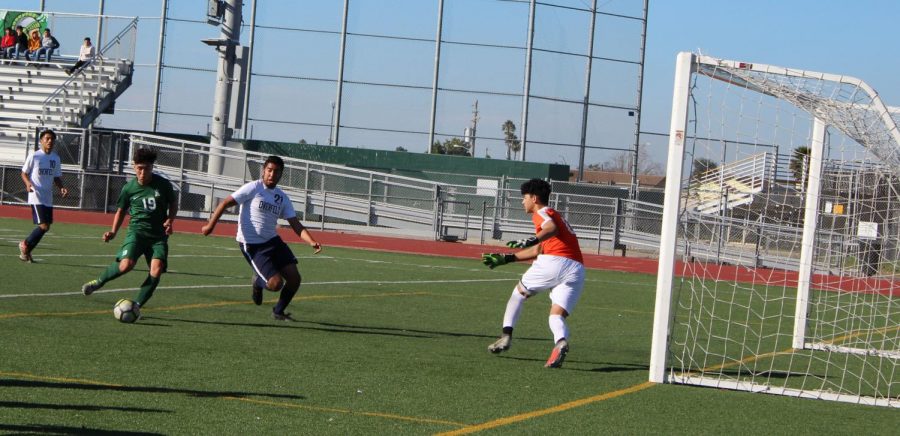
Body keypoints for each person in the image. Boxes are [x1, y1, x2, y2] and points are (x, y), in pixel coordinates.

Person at [201, 155, 322, 321]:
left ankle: (278, 312)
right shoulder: (252, 188)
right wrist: (210, 225)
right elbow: (224, 203)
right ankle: (258, 282)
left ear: (281, 175)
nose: (272, 174)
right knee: (275, 284)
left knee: (294, 278)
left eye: (276, 172)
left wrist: (311, 241)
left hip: (272, 241)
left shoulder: (282, 197)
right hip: (252, 245)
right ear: (263, 171)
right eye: (269, 170)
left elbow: (296, 224)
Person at [481, 178, 585, 369]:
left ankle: (506, 337)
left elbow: (549, 229)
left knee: (517, 294)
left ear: (534, 198)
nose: (522, 201)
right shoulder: (558, 216)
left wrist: (530, 239)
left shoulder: (542, 212)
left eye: (524, 197)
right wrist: (507, 258)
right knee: (556, 315)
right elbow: (539, 250)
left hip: (554, 262)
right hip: (576, 269)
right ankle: (560, 342)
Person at [81, 148, 177, 316]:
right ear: (133, 167)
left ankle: (137, 305)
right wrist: (113, 231)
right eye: (139, 168)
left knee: (157, 269)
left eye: (146, 168)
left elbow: (174, 204)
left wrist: (170, 220)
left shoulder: (163, 185)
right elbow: (120, 211)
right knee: (126, 265)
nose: (142, 172)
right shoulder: (129, 188)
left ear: (152, 167)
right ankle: (99, 281)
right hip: (137, 233)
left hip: (158, 237)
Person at [19, 129, 68, 262]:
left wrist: (62, 187)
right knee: (44, 226)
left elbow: (56, 176)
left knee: (46, 227)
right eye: (47, 138)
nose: (50, 141)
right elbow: (23, 173)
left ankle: (26, 250)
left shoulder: (55, 158)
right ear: (41, 141)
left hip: (48, 196)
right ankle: (26, 244)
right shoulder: (34, 156)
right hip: (36, 195)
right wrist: (28, 183)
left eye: (52, 139)